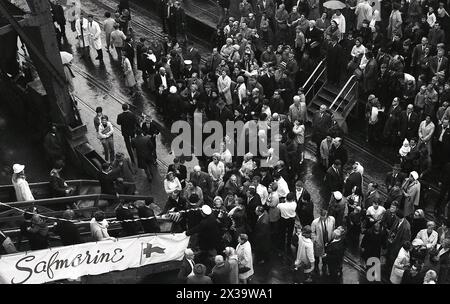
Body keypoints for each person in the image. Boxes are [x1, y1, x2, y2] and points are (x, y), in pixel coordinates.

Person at [311, 209, 335, 275]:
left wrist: (332, 238)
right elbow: (312, 232)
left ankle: (324, 265)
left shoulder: (332, 219)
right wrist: (315, 240)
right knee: (317, 255)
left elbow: (333, 228)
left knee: (326, 255)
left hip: (328, 241)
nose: (323, 218)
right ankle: (316, 267)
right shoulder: (315, 222)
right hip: (319, 242)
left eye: (324, 217)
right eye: (321, 217)